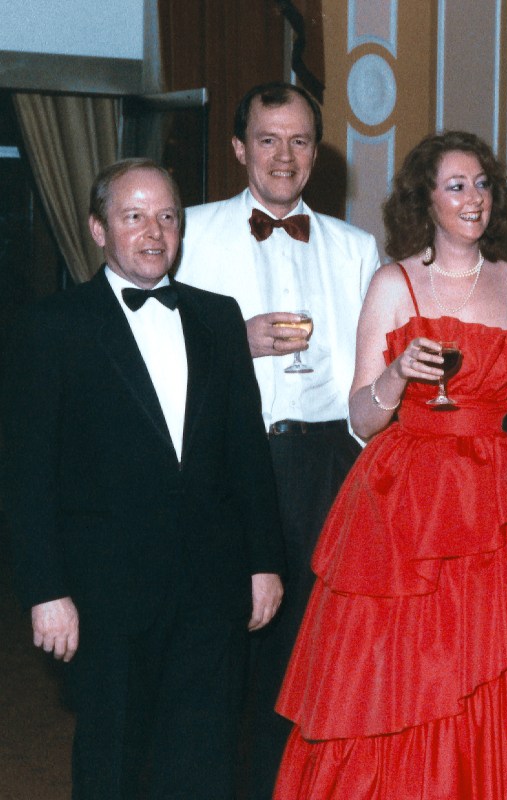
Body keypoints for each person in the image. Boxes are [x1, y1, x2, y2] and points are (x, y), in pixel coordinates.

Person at [272, 130, 507, 799]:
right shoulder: (393, 284)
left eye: (482, 184)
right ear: (425, 200)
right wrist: (396, 374)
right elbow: (361, 419)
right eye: (456, 186)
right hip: (413, 507)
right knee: (414, 678)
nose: (473, 198)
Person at [1, 159, 284, 799]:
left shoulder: (218, 318)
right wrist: (45, 591)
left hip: (211, 590)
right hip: (106, 595)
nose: (154, 233)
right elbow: (27, 477)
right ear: (98, 229)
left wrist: (264, 561)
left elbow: (246, 452)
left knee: (206, 766)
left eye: (167, 217)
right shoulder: (52, 328)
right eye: (134, 216)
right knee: (112, 767)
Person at [175, 81, 380, 798]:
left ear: (316, 153)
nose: (284, 156)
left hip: (329, 464)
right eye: (267, 140)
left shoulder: (357, 247)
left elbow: (373, 369)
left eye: (299, 141)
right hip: (232, 462)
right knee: (224, 645)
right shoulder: (190, 231)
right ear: (239, 149)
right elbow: (149, 346)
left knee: (312, 652)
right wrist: (235, 341)